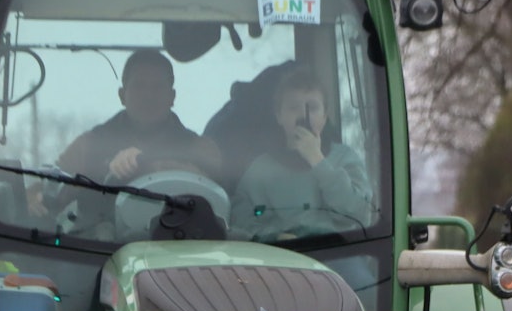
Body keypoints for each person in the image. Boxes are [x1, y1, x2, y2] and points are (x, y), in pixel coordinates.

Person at [40, 50, 221, 224]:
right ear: (122, 95)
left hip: (182, 241)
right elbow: (53, 188)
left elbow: (220, 190)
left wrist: (146, 160)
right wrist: (36, 197)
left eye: (158, 87)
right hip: (99, 243)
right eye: (139, 86)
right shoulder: (89, 145)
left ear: (172, 96)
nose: (148, 96)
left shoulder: (200, 148)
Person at [230, 66, 373, 240]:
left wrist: (318, 161)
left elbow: (362, 214)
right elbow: (240, 221)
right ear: (279, 116)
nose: (303, 116)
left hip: (340, 249)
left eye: (312, 108)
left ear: (324, 116)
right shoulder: (260, 169)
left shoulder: (344, 158)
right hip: (281, 252)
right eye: (293, 107)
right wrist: (274, 236)